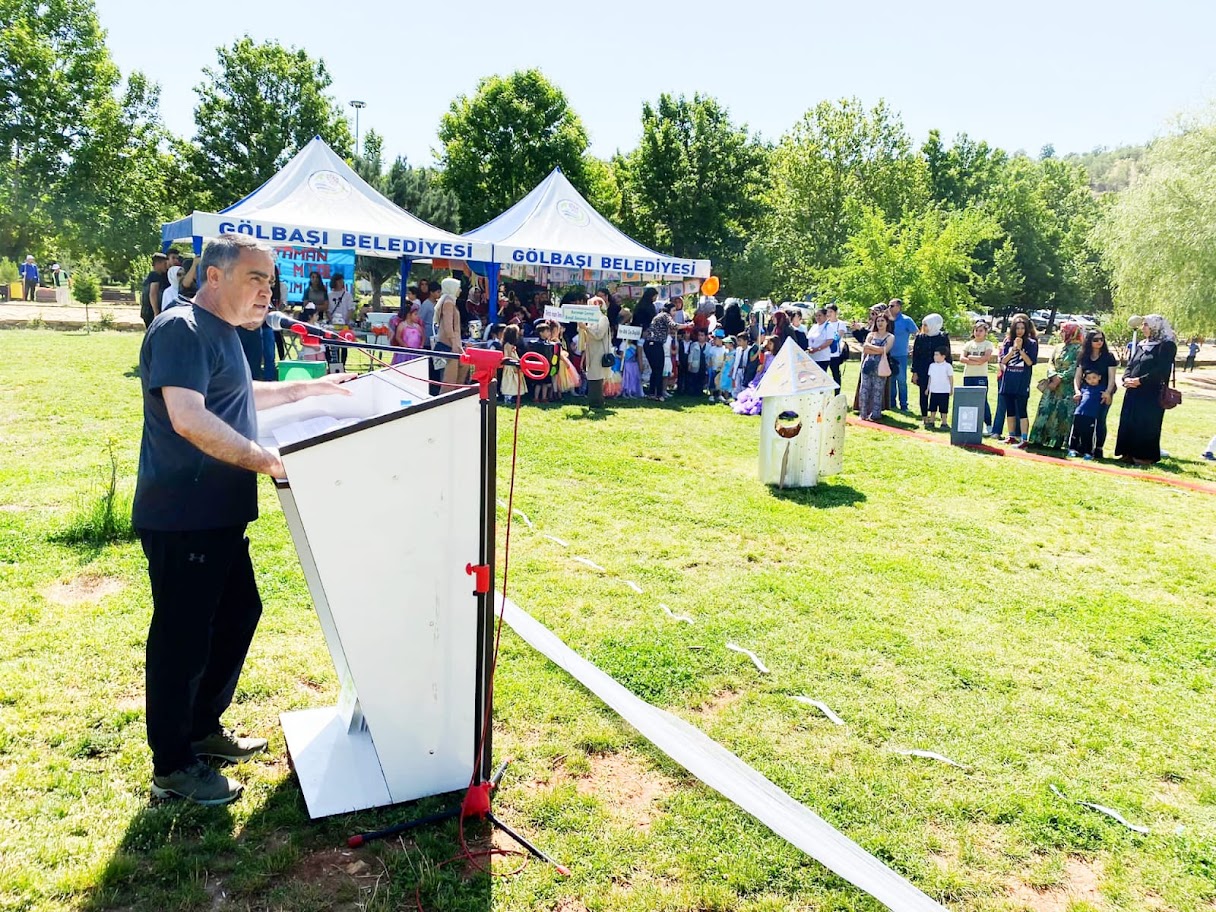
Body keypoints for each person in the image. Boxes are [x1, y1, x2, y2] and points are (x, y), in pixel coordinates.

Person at [134, 234, 353, 805]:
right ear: (214, 276)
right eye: (256, 278)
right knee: (183, 636)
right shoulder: (180, 329)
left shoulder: (223, 333)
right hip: (184, 515)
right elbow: (188, 417)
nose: (268, 292)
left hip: (219, 514)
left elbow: (240, 394)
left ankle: (202, 729)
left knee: (237, 614)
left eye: (270, 281)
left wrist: (311, 387)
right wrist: (270, 461)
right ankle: (173, 765)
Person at [1115, 314, 1178, 465]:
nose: (1143, 328)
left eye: (1146, 325)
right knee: (1129, 420)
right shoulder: (1141, 344)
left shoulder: (1166, 346)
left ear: (1155, 327)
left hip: (1151, 393)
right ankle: (1127, 452)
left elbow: (1161, 370)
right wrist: (1126, 378)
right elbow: (1132, 364)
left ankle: (1144, 456)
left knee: (1146, 423)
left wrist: (1140, 381)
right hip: (1133, 391)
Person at [1029, 321, 1084, 449]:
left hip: (1067, 388)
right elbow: (1051, 362)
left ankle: (1058, 442)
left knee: (1062, 413)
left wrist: (1060, 378)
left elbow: (1075, 367)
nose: (1061, 333)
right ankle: (1039, 439)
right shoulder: (1058, 347)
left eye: (1064, 331)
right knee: (1046, 409)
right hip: (1052, 386)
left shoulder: (1080, 349)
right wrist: (1053, 375)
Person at [1072, 328, 1118, 459]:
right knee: (1082, 418)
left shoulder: (1108, 357)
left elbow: (1112, 377)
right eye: (1096, 339)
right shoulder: (1083, 356)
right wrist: (1077, 391)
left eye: (1101, 339)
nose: (1099, 342)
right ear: (1089, 341)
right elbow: (1077, 376)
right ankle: (1080, 446)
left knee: (1100, 420)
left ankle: (1098, 448)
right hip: (1086, 392)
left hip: (1103, 392)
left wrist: (1108, 393)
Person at [996, 314, 1039, 447]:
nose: (1020, 331)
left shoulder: (1031, 344)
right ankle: (1011, 435)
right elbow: (1003, 360)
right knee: (1010, 409)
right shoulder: (1008, 342)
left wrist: (1020, 350)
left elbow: (1030, 362)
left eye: (1022, 328)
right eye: (1017, 328)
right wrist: (1013, 349)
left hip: (1022, 380)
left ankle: (1024, 439)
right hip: (1009, 379)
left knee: (1021, 409)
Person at [910, 314, 950, 426]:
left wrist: (948, 372)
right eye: (923, 325)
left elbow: (948, 355)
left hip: (939, 371)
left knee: (938, 394)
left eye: (926, 325)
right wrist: (915, 372)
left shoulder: (943, 337)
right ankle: (924, 417)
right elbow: (916, 356)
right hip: (923, 370)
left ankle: (938, 418)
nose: (924, 327)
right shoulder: (920, 338)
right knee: (923, 393)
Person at [960, 321, 996, 434]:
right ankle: (970, 424)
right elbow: (962, 358)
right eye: (976, 330)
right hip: (968, 376)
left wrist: (971, 358)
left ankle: (988, 425)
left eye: (981, 330)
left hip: (981, 376)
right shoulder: (968, 344)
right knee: (968, 400)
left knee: (982, 400)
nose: (978, 333)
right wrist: (975, 360)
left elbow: (984, 359)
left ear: (986, 332)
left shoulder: (988, 344)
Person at [858, 312, 894, 421]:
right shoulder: (871, 335)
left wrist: (872, 347)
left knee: (878, 390)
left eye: (882, 321)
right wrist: (878, 349)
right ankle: (863, 414)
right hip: (868, 364)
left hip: (881, 366)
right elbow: (865, 349)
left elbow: (885, 350)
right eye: (878, 321)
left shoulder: (890, 336)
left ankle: (875, 414)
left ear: (887, 322)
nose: (880, 323)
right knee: (864, 390)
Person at [578, 296, 612, 408]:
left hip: (599, 352)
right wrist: (582, 327)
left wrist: (586, 328)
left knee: (597, 376)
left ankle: (597, 402)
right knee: (592, 376)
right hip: (591, 351)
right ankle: (593, 401)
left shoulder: (603, 319)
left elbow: (598, 334)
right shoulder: (591, 319)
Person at [886, 298, 918, 411]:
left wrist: (915, 348)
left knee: (901, 380)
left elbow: (917, 334)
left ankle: (904, 405)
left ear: (899, 307)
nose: (889, 308)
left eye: (892, 306)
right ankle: (891, 404)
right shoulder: (887, 320)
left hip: (901, 355)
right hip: (888, 355)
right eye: (889, 306)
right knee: (891, 380)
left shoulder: (906, 320)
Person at [1068, 368, 1108, 459]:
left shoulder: (1102, 389)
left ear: (1099, 377)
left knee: (1089, 434)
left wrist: (1107, 396)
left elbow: (1107, 401)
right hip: (1079, 413)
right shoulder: (1083, 388)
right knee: (1076, 432)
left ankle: (1088, 452)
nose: (1092, 380)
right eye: (1089, 378)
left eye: (1094, 377)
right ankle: (1072, 449)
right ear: (1085, 379)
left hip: (1092, 416)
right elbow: (1077, 398)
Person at [642, 296, 673, 401]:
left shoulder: (658, 317)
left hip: (650, 344)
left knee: (655, 370)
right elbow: (673, 325)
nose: (675, 313)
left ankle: (652, 393)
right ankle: (659, 394)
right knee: (658, 369)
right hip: (655, 344)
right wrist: (687, 325)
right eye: (673, 310)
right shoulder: (665, 315)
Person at [434, 284, 464, 389]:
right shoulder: (448, 303)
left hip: (454, 343)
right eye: (458, 287)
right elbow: (448, 326)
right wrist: (454, 344)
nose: (460, 290)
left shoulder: (450, 301)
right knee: (450, 380)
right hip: (449, 345)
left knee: (460, 373)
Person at [925, 348, 954, 430]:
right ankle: (932, 421)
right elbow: (930, 377)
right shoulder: (932, 366)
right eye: (934, 355)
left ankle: (944, 423)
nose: (935, 356)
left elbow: (951, 378)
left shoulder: (947, 366)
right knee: (932, 407)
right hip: (934, 390)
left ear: (943, 356)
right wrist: (928, 388)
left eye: (937, 355)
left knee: (943, 407)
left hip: (944, 390)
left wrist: (951, 388)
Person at [141, 253, 170, 329]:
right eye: (165, 263)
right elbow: (153, 294)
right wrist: (156, 312)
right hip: (151, 311)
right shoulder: (155, 275)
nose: (166, 266)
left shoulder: (158, 275)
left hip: (147, 311)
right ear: (158, 263)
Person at [681, 328, 709, 396]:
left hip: (704, 364)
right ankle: (693, 391)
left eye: (702, 335)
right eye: (699, 335)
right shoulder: (694, 344)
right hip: (695, 363)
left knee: (702, 377)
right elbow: (690, 354)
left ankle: (700, 391)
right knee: (694, 377)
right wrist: (689, 364)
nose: (700, 337)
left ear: (705, 336)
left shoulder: (709, 345)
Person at [500, 325, 524, 404]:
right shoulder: (508, 345)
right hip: (510, 366)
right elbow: (509, 356)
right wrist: (515, 364)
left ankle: (512, 396)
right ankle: (508, 397)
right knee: (510, 382)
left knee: (515, 381)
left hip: (512, 365)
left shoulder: (510, 345)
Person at [824, 304, 847, 386]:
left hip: (835, 353)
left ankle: (837, 393)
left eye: (831, 311)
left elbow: (838, 337)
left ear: (836, 312)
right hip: (824, 353)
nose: (829, 314)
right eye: (827, 312)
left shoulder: (840, 324)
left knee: (836, 374)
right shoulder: (825, 324)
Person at [717, 336, 736, 403]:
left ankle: (728, 398)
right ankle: (724, 398)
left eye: (726, 343)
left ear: (731, 344)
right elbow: (724, 361)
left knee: (728, 385)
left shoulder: (735, 353)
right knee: (723, 384)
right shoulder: (726, 353)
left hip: (730, 370)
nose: (724, 344)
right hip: (725, 370)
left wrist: (732, 370)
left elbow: (734, 363)